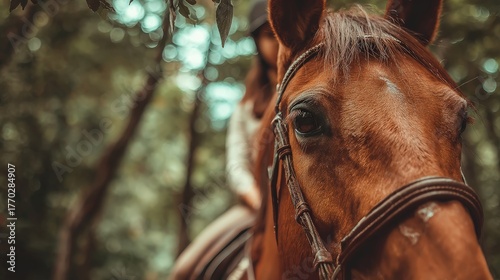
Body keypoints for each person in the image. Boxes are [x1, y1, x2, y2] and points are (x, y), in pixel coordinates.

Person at [169, 1, 278, 278]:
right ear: (257, 42)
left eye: (279, 34)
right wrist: (260, 204)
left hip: (307, 204)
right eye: (268, 35)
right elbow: (236, 166)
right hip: (255, 206)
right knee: (184, 269)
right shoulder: (245, 107)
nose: (276, 42)